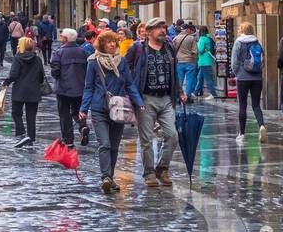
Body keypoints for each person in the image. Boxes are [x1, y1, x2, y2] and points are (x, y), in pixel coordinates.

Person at [79, 30, 145, 194]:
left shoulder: (121, 62)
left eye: (114, 42)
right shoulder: (93, 62)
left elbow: (129, 84)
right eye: (108, 42)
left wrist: (139, 103)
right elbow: (88, 87)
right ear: (102, 44)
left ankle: (111, 177)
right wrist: (83, 109)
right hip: (99, 108)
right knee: (105, 144)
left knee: (114, 146)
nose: (112, 45)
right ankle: (106, 177)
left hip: (118, 108)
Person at [129, 17, 186, 187]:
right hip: (145, 98)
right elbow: (125, 68)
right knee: (146, 139)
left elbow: (173, 71)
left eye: (164, 27)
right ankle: (149, 173)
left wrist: (179, 91)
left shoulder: (169, 47)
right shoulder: (138, 49)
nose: (163, 30)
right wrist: (131, 92)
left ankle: (162, 168)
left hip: (166, 98)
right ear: (148, 32)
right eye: (159, 28)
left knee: (172, 135)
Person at [2, 36, 46, 149]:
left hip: (19, 91)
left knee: (16, 113)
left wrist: (6, 82)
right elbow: (41, 76)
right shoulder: (37, 59)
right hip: (34, 91)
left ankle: (22, 134)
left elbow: (13, 74)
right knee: (31, 116)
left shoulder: (18, 58)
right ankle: (30, 138)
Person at [51, 28, 90, 148]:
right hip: (80, 87)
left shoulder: (59, 52)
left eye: (62, 36)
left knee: (64, 114)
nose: (60, 37)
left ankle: (68, 140)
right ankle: (82, 126)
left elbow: (55, 71)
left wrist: (57, 76)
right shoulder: (82, 51)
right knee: (77, 111)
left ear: (66, 38)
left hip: (64, 88)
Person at [231, 22, 266, 145]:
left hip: (243, 78)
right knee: (256, 105)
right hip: (257, 78)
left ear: (241, 30)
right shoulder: (257, 42)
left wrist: (237, 74)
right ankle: (261, 125)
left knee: (243, 106)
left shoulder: (238, 42)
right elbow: (263, 60)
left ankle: (241, 134)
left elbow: (234, 62)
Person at [172, 19, 199, 104]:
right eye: (190, 30)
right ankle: (187, 96)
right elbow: (195, 51)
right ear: (187, 30)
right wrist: (195, 60)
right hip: (190, 62)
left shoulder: (175, 38)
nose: (191, 32)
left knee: (179, 80)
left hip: (179, 62)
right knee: (189, 80)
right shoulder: (192, 38)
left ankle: (178, 96)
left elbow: (172, 50)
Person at [194, 26, 217, 99]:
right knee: (200, 77)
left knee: (208, 78)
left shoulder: (202, 39)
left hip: (204, 61)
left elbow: (200, 50)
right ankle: (195, 92)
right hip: (207, 60)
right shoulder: (208, 38)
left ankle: (213, 94)